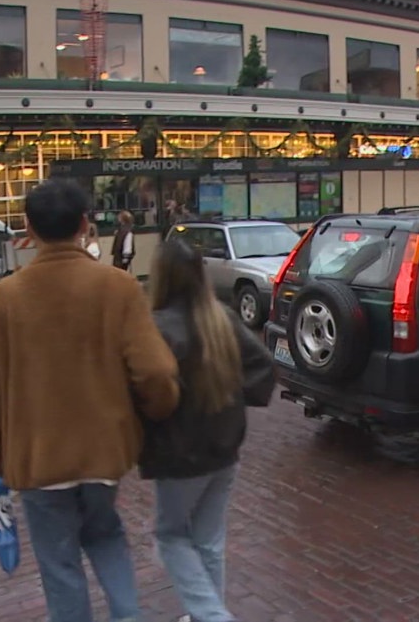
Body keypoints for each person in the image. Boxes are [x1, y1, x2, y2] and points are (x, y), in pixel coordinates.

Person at [0, 178, 181, 622]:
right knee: (105, 536)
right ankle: (128, 614)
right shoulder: (118, 287)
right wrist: (151, 418)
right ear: (86, 224)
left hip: (38, 460)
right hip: (103, 453)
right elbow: (157, 372)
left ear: (28, 228)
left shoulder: (4, 298)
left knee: (59, 563)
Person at [141, 238, 276, 622]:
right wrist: (233, 395)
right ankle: (207, 615)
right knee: (208, 539)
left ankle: (212, 616)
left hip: (180, 454)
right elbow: (263, 366)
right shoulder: (222, 318)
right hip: (224, 446)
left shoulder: (157, 327)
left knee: (170, 538)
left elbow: (149, 388)